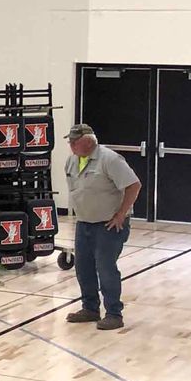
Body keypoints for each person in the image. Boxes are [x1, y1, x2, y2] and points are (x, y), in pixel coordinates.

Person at [64, 123, 141, 331]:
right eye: (70, 141)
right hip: (84, 224)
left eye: (74, 141)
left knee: (106, 269)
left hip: (108, 225)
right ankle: (90, 308)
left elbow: (134, 185)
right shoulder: (72, 161)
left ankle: (114, 313)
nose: (70, 145)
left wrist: (121, 214)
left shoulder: (110, 159)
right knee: (83, 268)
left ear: (88, 141)